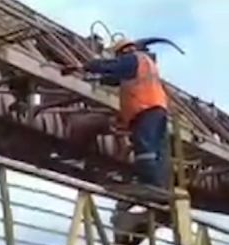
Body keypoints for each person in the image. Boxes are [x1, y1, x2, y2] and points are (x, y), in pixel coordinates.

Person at [69, 39, 169, 189]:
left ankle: (148, 184)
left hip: (145, 109)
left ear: (123, 51)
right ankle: (159, 185)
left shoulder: (132, 59)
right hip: (157, 109)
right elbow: (115, 78)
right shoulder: (144, 63)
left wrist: (86, 66)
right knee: (155, 150)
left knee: (144, 147)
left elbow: (110, 66)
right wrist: (94, 78)